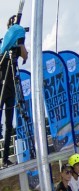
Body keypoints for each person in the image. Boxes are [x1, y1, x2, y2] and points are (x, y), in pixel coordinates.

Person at [0, 15, 27, 166]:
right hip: (0, 85)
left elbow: (25, 56)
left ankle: (5, 159)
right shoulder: (3, 44)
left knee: (9, 124)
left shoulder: (17, 45)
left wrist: (21, 42)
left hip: (10, 87)